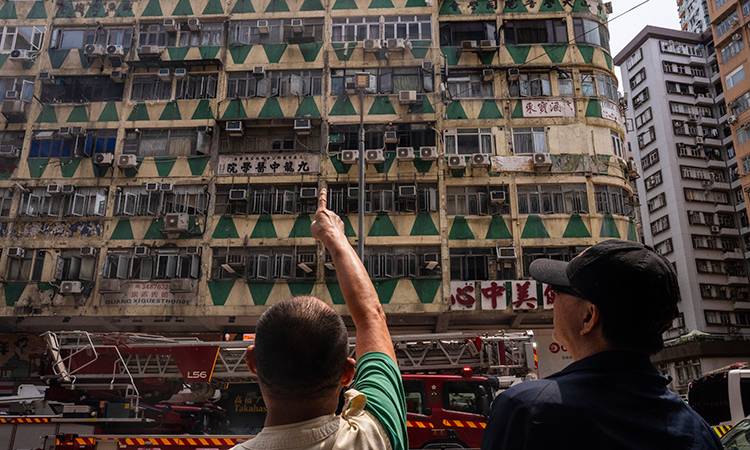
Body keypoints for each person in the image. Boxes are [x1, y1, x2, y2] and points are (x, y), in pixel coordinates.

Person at [481, 239, 722, 450]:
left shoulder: (526, 410)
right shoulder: (698, 430)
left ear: (588, 316)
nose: (552, 299)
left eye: (558, 289)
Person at [231, 188, 407, 450]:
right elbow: (372, 317)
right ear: (347, 373)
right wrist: (335, 239)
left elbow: (371, 319)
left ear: (252, 361)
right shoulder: (374, 437)